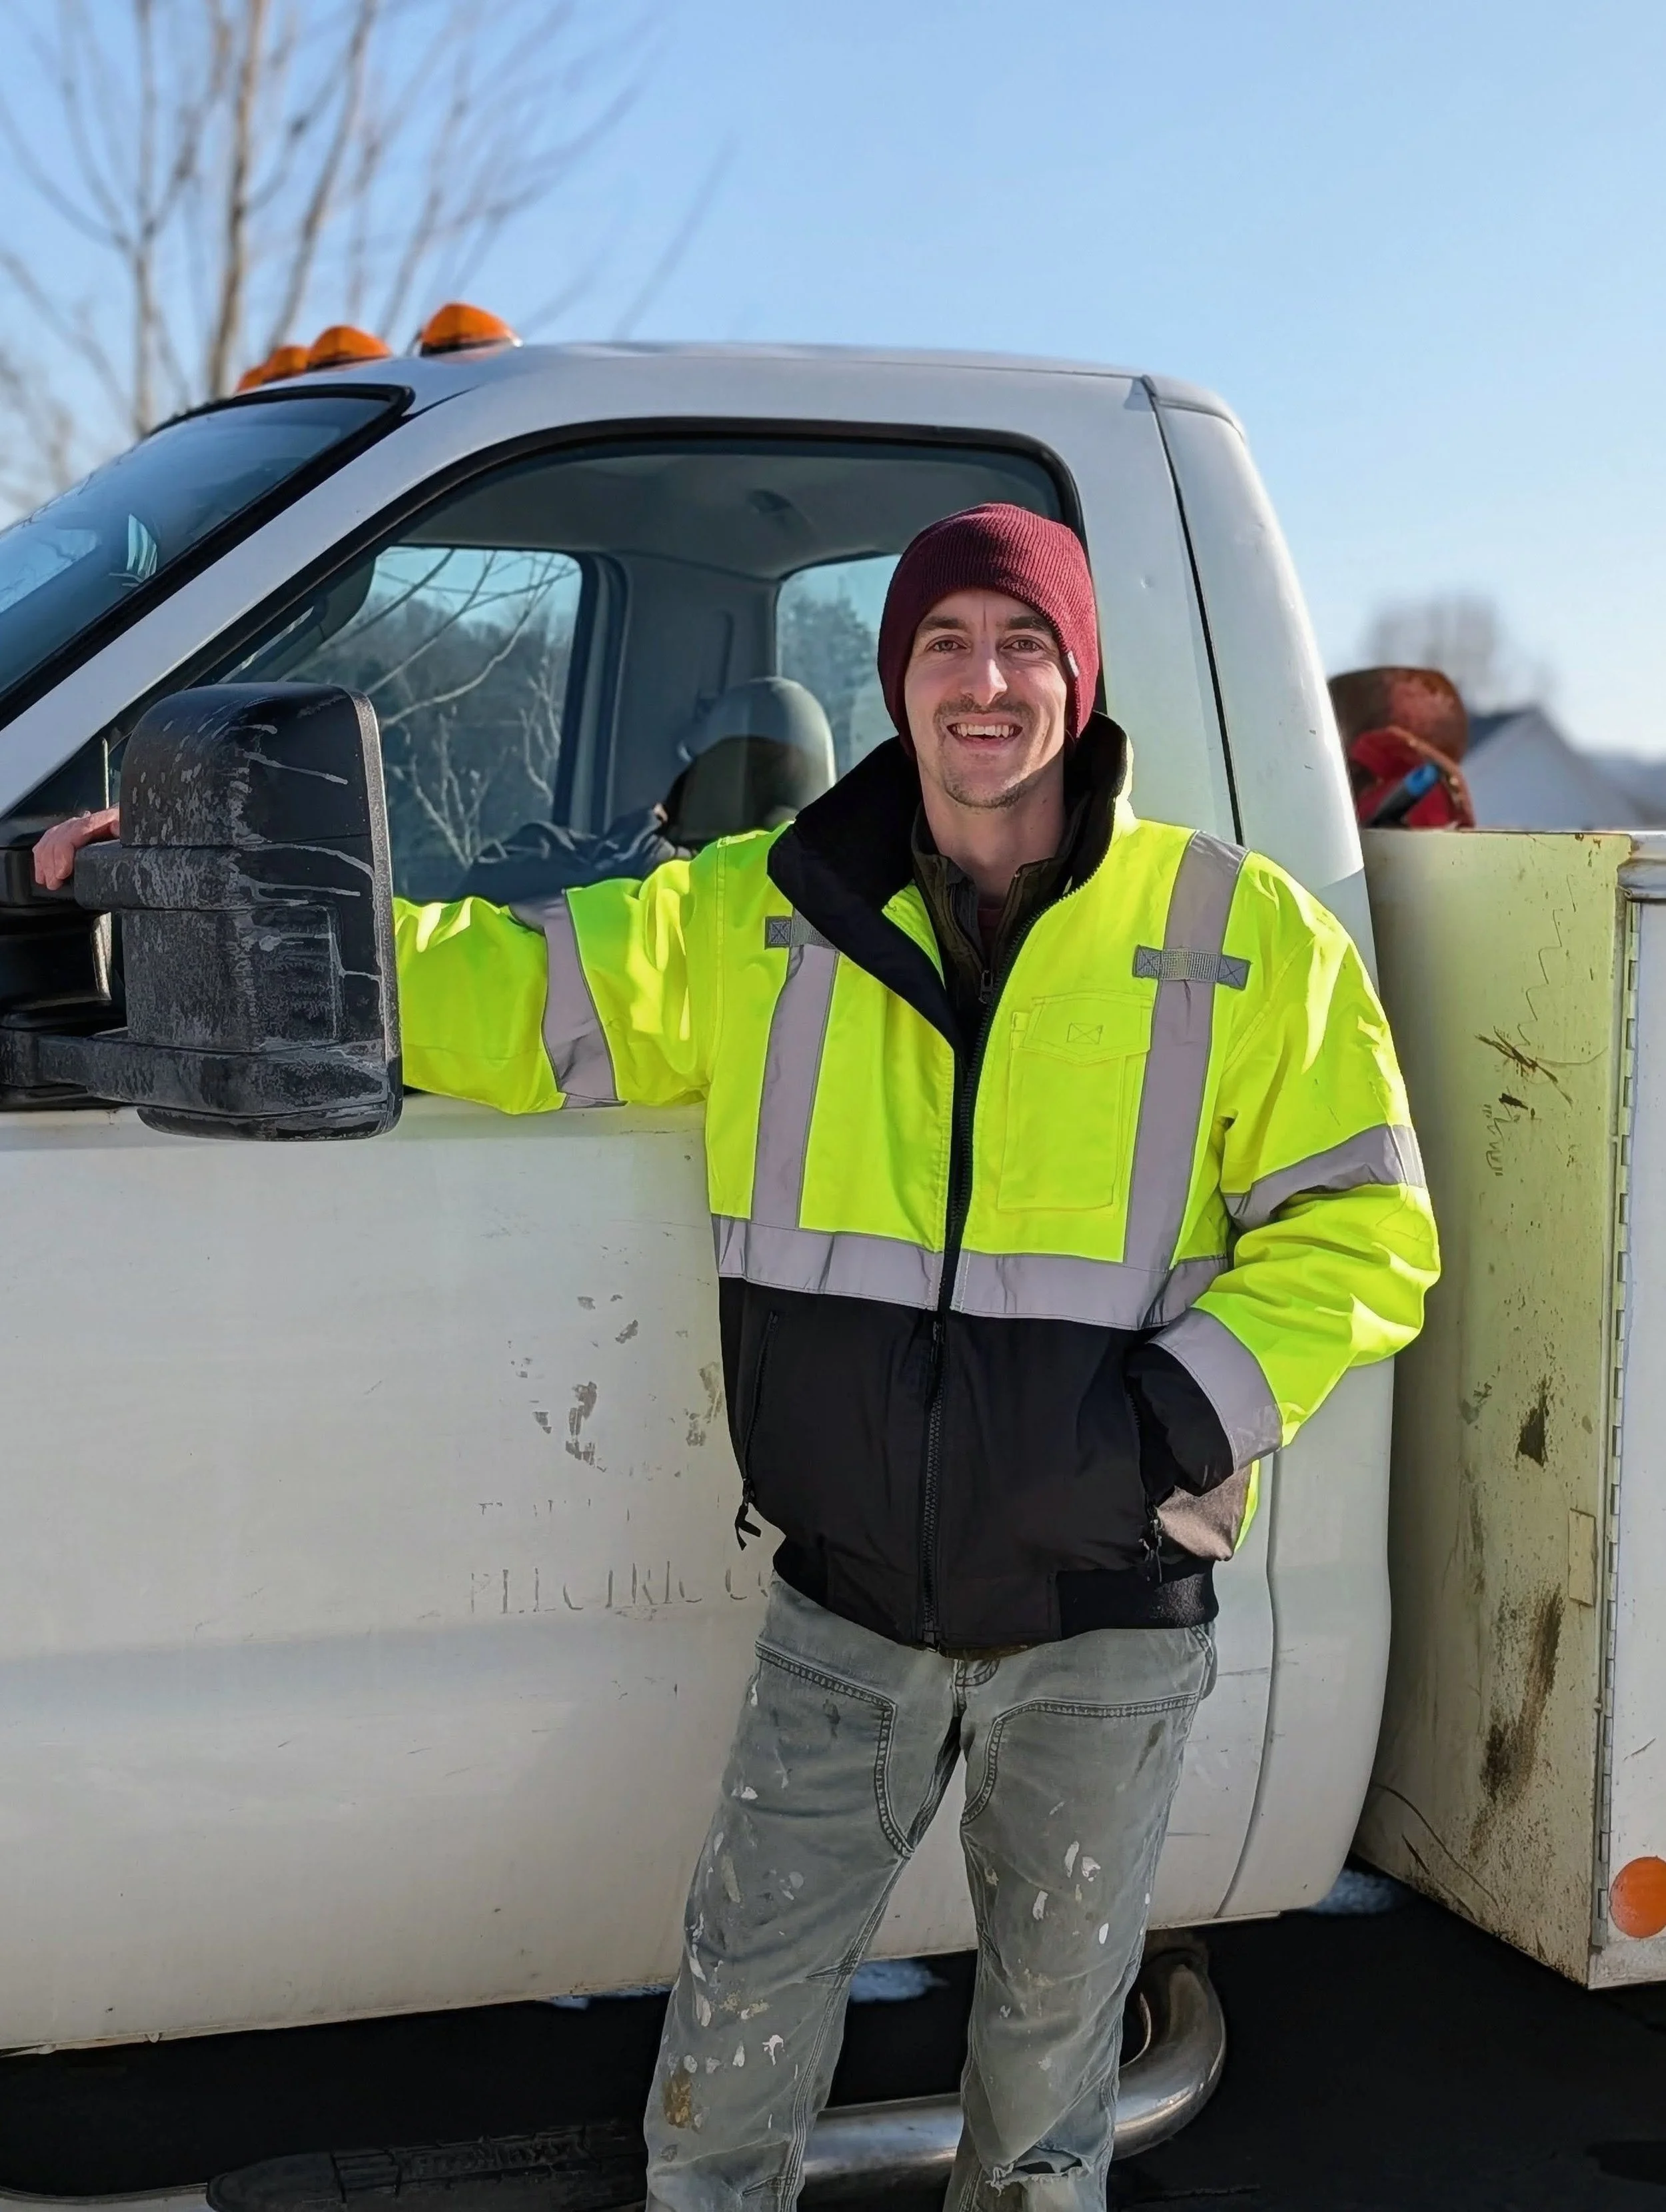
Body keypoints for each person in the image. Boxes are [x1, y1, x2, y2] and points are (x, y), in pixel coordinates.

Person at [36, 504, 1439, 2212]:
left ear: (1080, 678)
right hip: (842, 1607)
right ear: (893, 680)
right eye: (942, 645)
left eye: (1020, 644)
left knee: (1046, 2099)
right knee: (725, 2063)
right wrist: (190, 907)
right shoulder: (759, 912)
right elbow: (501, 988)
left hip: (1100, 1617)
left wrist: (1152, 1431)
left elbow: (1366, 1232)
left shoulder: (1242, 930)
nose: (980, 683)